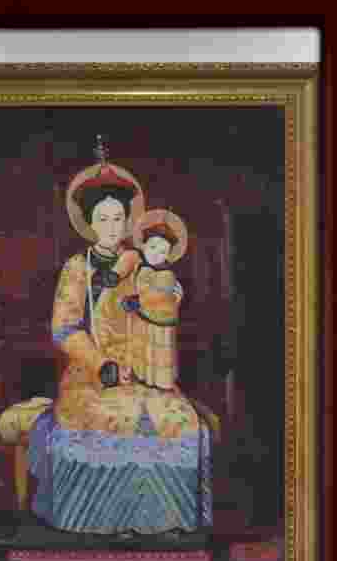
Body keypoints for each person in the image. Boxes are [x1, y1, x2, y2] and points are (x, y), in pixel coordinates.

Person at [18, 154, 213, 538]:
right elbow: (64, 329)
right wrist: (102, 364)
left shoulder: (141, 261)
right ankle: (98, 523)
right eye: (103, 219)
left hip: (145, 368)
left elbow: (161, 302)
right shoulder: (77, 268)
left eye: (118, 219)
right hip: (93, 372)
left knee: (179, 420)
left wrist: (170, 296)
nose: (111, 227)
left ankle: (165, 521)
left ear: (127, 222)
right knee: (107, 418)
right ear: (90, 224)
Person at [119, 211, 187, 392]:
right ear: (144, 245)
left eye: (163, 251)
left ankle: (161, 384)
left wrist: (139, 301)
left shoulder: (166, 274)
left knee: (159, 354)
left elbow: (159, 296)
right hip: (144, 317)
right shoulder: (140, 267)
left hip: (160, 320)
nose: (157, 254)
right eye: (153, 247)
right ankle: (143, 378)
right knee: (144, 352)